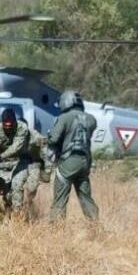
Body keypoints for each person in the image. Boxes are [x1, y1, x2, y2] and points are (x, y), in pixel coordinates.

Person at [48, 90, 99, 221]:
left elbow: (53, 139)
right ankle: (95, 226)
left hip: (68, 162)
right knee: (85, 196)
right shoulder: (91, 119)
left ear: (66, 102)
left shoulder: (64, 118)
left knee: (60, 198)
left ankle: (56, 229)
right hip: (85, 162)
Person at [0, 109, 31, 213]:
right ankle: (8, 214)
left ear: (15, 122)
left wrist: (1, 156)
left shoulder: (22, 128)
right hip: (2, 165)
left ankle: (17, 218)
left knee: (16, 186)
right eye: (6, 125)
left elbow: (16, 147)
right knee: (6, 193)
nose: (8, 128)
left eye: (11, 125)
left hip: (20, 162)